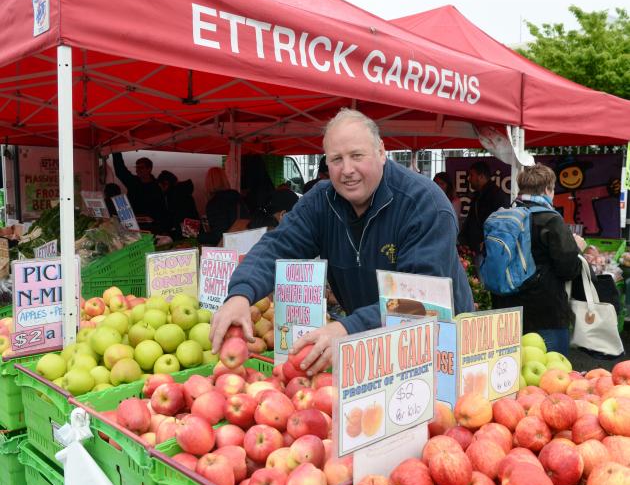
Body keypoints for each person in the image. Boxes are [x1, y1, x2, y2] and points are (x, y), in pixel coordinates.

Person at [210, 108, 474, 374]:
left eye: (357, 155)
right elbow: (277, 245)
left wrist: (349, 328)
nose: (347, 170)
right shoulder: (320, 201)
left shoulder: (424, 204)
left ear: (381, 152)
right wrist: (241, 294)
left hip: (440, 348)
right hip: (368, 346)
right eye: (336, 159)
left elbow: (421, 299)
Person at [492, 163, 582, 356]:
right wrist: (578, 249)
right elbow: (568, 269)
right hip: (545, 312)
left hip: (505, 309)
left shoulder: (504, 216)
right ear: (547, 189)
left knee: (509, 374)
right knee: (551, 371)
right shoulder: (550, 220)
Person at [459, 160, 510, 255]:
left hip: (487, 250)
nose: (469, 179)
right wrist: (464, 239)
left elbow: (499, 224)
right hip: (476, 248)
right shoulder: (478, 195)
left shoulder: (496, 195)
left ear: (481, 176)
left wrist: (485, 243)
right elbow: (471, 219)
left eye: (471, 175)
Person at [111, 153, 167, 230]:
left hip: (151, 227)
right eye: (137, 168)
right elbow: (120, 171)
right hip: (132, 225)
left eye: (141, 168)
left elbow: (162, 209)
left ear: (149, 169)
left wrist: (162, 227)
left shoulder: (157, 187)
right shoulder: (133, 182)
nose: (137, 170)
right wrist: (116, 152)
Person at [199, 167, 247, 246]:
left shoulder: (215, 203)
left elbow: (218, 236)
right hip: (243, 243)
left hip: (227, 250)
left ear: (209, 183)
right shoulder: (238, 198)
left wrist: (196, 236)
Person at [157, 171, 199, 236]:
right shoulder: (183, 192)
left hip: (184, 233)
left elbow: (173, 217)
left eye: (161, 186)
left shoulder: (173, 195)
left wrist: (166, 231)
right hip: (192, 230)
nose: (161, 189)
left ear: (166, 184)